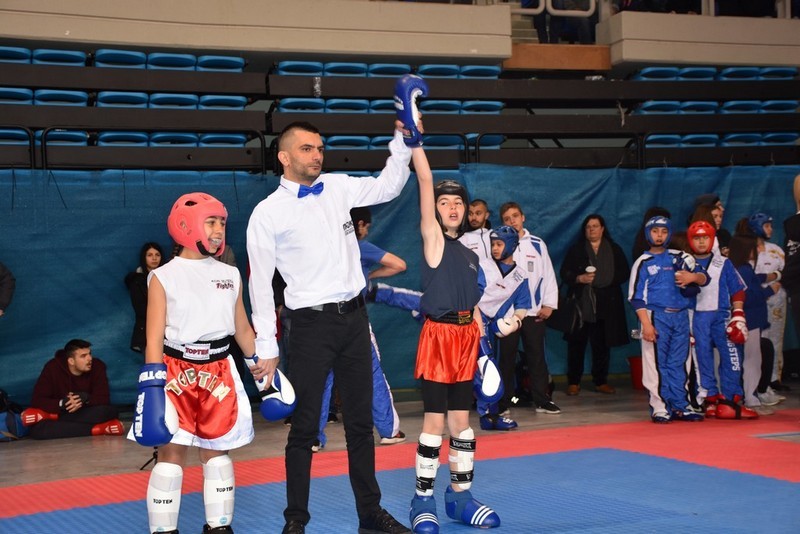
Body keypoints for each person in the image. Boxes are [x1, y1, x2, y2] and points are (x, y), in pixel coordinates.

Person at [246, 114, 414, 533]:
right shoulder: (267, 213)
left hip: (355, 319)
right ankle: (295, 521)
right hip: (309, 326)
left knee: (360, 424)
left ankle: (370, 514)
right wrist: (266, 346)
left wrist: (402, 140)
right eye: (307, 149)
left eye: (320, 148)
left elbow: (390, 186)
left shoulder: (338, 187)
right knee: (305, 428)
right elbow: (260, 284)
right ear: (284, 157)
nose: (317, 155)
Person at [133, 192, 266, 534]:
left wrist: (265, 370)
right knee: (171, 457)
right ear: (186, 225)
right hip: (174, 369)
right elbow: (153, 337)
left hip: (219, 369)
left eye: (222, 222)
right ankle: (164, 530)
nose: (219, 229)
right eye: (211, 222)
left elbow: (242, 329)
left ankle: (219, 527)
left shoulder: (230, 274)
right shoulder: (163, 276)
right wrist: (152, 386)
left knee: (218, 455)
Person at [406, 109, 501, 532]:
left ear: (466, 210)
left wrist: (484, 341)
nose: (451, 207)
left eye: (458, 202)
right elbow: (425, 181)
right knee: (434, 423)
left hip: (466, 339)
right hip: (439, 337)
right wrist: (415, 140)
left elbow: (475, 304)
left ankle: (460, 496)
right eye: (444, 203)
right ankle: (422, 500)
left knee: (463, 424)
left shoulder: (470, 254)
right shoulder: (434, 242)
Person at [314, 206, 407, 451]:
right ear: (360, 225)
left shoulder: (323, 246)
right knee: (372, 374)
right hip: (354, 319)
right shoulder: (359, 247)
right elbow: (399, 265)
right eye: (366, 226)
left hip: (322, 320)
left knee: (320, 378)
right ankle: (389, 430)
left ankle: (312, 437)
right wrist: (370, 275)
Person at [628, 216, 709, 423]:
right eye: (655, 231)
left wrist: (692, 277)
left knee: (680, 362)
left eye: (664, 232)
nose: (659, 236)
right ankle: (660, 407)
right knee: (656, 364)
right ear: (648, 234)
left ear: (669, 234)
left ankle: (681, 405)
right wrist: (646, 324)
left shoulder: (680, 256)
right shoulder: (643, 262)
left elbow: (704, 277)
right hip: (656, 316)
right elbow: (636, 298)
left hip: (680, 315)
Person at [685, 221, 757, 420]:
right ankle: (709, 400)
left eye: (705, 238)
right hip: (696, 317)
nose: (701, 242)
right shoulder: (684, 262)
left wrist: (738, 314)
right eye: (697, 238)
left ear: (712, 239)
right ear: (690, 240)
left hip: (722, 315)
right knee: (701, 359)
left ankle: (729, 402)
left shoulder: (723, 262)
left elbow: (737, 289)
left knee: (732, 355)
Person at [498, 201, 561, 415]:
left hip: (533, 311)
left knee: (537, 357)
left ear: (523, 217)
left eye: (515, 216)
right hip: (508, 314)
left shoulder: (537, 244)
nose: (512, 221)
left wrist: (549, 304)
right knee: (506, 358)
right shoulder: (499, 244)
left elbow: (548, 274)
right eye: (507, 219)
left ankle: (542, 400)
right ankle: (503, 402)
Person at [560, 214, 630, 396]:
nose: (591, 229)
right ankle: (573, 382)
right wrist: (579, 278)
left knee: (602, 345)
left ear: (602, 229)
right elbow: (564, 273)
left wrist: (605, 279)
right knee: (576, 344)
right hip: (581, 305)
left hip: (607, 305)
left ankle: (601, 381)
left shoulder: (614, 249)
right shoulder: (576, 250)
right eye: (588, 227)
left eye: (595, 226)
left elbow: (624, 272)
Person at [476, 225, 530, 431]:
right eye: (493, 244)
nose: (495, 248)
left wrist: (515, 321)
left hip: (494, 327)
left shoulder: (521, 276)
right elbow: (471, 296)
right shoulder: (482, 267)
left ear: (512, 245)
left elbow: (523, 304)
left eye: (499, 244)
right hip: (473, 323)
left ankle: (490, 414)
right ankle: (483, 413)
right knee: (479, 370)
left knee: (492, 370)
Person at [21, 339, 123, 439]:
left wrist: (86, 398)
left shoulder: (98, 366)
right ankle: (99, 429)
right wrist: (62, 403)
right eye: (83, 356)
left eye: (89, 354)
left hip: (82, 411)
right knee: (37, 430)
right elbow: (37, 400)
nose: (89, 359)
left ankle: (51, 417)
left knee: (108, 412)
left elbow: (104, 398)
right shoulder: (52, 367)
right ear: (71, 361)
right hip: (60, 410)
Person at [728, 234, 782, 416]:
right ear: (746, 250)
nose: (758, 250)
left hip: (744, 321)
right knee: (752, 360)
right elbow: (747, 296)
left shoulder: (736, 267)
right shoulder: (743, 269)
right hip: (749, 321)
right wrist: (769, 290)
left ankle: (744, 396)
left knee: (742, 359)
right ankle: (751, 397)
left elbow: (753, 281)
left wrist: (769, 277)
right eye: (754, 247)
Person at [748, 212, 789, 393]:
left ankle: (774, 378)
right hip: (756, 300)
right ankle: (757, 379)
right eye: (766, 226)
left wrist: (778, 278)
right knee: (758, 339)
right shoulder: (748, 250)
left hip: (777, 300)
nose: (770, 229)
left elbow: (786, 271)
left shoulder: (776, 250)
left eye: (771, 226)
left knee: (776, 338)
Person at [124, 242, 165, 353]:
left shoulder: (168, 278)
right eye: (150, 255)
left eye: (157, 255)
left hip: (168, 333)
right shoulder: (137, 281)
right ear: (144, 257)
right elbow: (140, 309)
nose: (154, 258)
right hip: (146, 332)